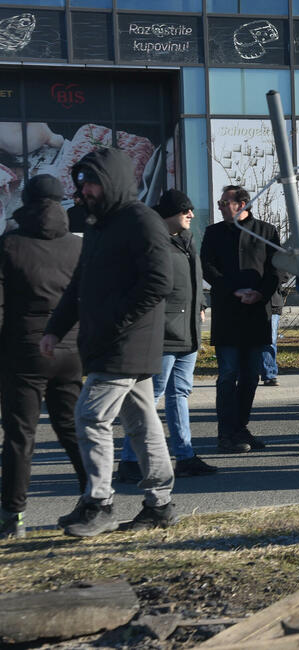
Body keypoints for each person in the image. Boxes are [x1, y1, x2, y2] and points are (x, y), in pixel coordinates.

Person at [42, 148, 176, 536]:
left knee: (89, 416)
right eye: (81, 183)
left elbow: (158, 282)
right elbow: (79, 287)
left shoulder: (141, 221)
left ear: (112, 180)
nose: (84, 191)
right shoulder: (99, 226)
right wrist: (55, 327)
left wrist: (115, 321)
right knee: (142, 423)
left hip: (125, 344)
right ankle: (160, 505)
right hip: (109, 341)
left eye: (92, 182)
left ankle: (99, 504)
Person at [0, 175, 87, 538]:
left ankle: (12, 517)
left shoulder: (10, 244)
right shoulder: (77, 246)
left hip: (24, 351)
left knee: (21, 434)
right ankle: (96, 498)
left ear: (27, 201)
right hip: (71, 349)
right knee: (73, 429)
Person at [118, 190, 217, 483]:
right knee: (150, 397)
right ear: (168, 213)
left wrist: (200, 305)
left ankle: (185, 456)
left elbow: (191, 281)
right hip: (161, 334)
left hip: (187, 333)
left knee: (180, 395)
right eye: (184, 210)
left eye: (190, 209)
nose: (191, 214)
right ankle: (130, 460)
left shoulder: (187, 242)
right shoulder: (151, 241)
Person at [200, 185, 280, 453]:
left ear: (243, 204)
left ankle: (240, 427)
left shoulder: (267, 232)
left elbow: (275, 270)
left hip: (257, 314)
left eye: (225, 202)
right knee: (228, 375)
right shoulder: (214, 233)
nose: (221, 206)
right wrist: (233, 290)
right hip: (228, 314)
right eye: (220, 202)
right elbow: (208, 268)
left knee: (251, 376)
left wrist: (260, 293)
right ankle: (226, 433)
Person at [261, 273, 292, 386]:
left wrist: (269, 281)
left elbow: (286, 274)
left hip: (272, 302)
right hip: (249, 301)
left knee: (270, 339)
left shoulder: (276, 256)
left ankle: (269, 374)